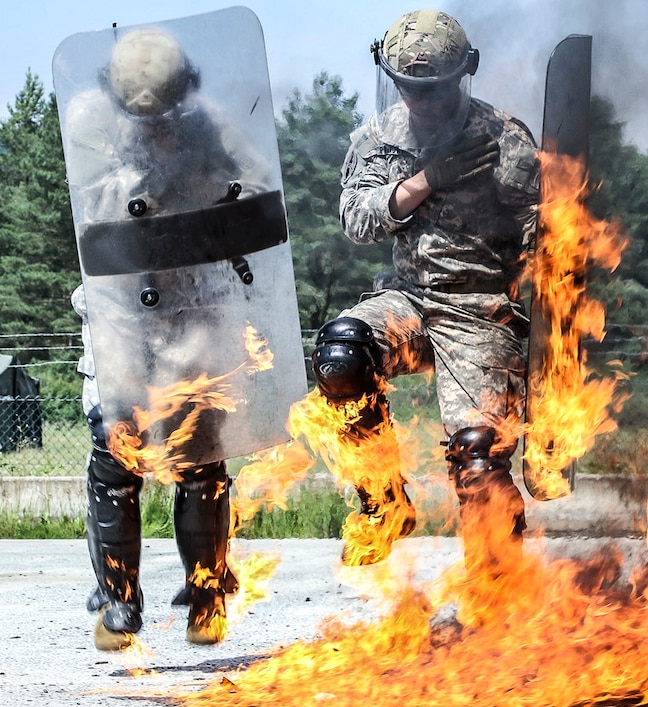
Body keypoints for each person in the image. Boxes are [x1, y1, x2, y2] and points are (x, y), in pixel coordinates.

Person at [311, 9, 540, 572]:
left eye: (435, 89)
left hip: (481, 310)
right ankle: (383, 505)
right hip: (408, 298)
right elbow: (358, 222)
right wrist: (426, 181)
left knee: (479, 458)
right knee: (341, 355)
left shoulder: (504, 139)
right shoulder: (378, 136)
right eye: (410, 88)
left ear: (465, 73)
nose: (424, 101)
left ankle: (498, 596)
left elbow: (546, 236)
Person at [68, 27, 268, 651]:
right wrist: (134, 181)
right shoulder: (92, 125)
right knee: (114, 443)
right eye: (140, 115)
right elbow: (86, 209)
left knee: (201, 453)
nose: (154, 124)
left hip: (196, 307)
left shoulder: (213, 128)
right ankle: (118, 602)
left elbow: (263, 198)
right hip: (121, 305)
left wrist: (212, 197)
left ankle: (206, 595)